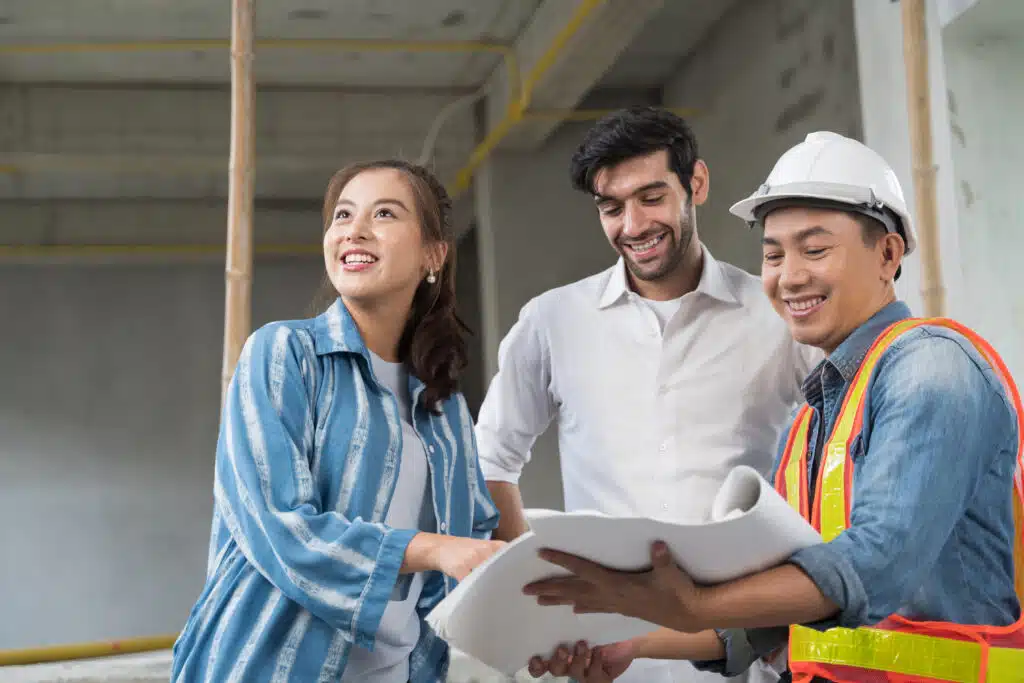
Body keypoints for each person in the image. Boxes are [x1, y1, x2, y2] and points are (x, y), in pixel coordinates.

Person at [521, 131, 1024, 683]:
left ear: (888, 253)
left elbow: (876, 564)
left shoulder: (932, 369)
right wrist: (633, 642)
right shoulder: (811, 418)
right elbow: (780, 617)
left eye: (815, 250)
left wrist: (695, 606)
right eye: (773, 254)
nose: (790, 276)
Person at [475, 106, 819, 683]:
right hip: (600, 657)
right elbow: (489, 460)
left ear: (697, 184)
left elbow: (836, 457)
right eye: (612, 207)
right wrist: (533, 595)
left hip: (746, 657)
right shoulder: (552, 320)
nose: (632, 225)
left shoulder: (775, 314)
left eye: (651, 197)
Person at [171, 159, 503, 683]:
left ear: (433, 254)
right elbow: (281, 525)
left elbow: (475, 537)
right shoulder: (283, 354)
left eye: (385, 213)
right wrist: (433, 549)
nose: (354, 230)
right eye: (342, 215)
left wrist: (545, 617)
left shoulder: (445, 406)